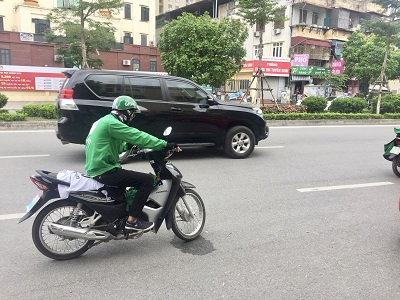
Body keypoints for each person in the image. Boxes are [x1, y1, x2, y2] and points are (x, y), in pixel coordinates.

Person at [85, 95, 179, 232]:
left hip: (97, 168)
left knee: (126, 188)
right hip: (105, 170)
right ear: (127, 112)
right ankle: (132, 221)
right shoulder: (112, 123)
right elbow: (136, 135)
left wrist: (130, 147)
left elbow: (112, 145)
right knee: (147, 180)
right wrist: (164, 144)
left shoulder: (104, 121)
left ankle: (120, 217)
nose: (132, 117)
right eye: (133, 114)